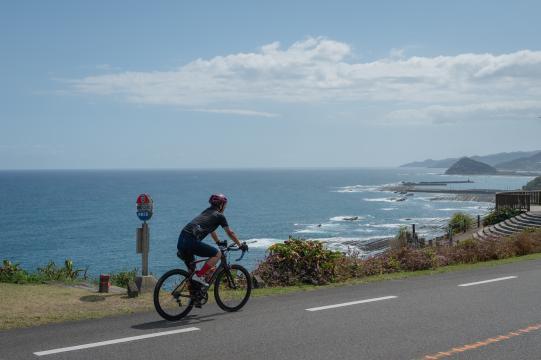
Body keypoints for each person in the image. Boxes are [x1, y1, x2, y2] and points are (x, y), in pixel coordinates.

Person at [177, 193, 248, 287]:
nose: (225, 208)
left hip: (181, 240)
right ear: (221, 205)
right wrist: (240, 245)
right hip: (191, 241)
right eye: (225, 206)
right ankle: (199, 275)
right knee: (217, 254)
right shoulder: (219, 216)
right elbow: (230, 233)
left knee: (191, 273)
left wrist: (218, 242)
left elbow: (211, 230)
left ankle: (193, 298)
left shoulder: (206, 212)